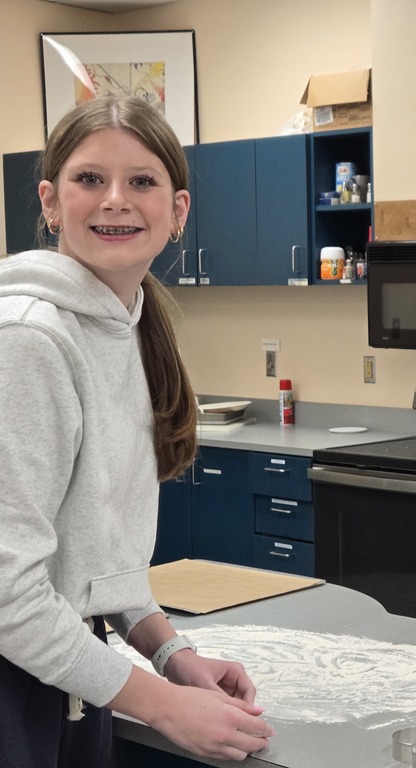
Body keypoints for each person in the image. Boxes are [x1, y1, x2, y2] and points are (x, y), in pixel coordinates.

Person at [0, 96, 275, 766]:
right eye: (90, 179)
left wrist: (172, 654)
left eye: (142, 181)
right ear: (50, 201)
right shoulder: (30, 339)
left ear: (178, 211)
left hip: (63, 669)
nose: (115, 200)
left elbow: (92, 558)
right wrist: (161, 703)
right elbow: (8, 596)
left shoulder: (122, 326)